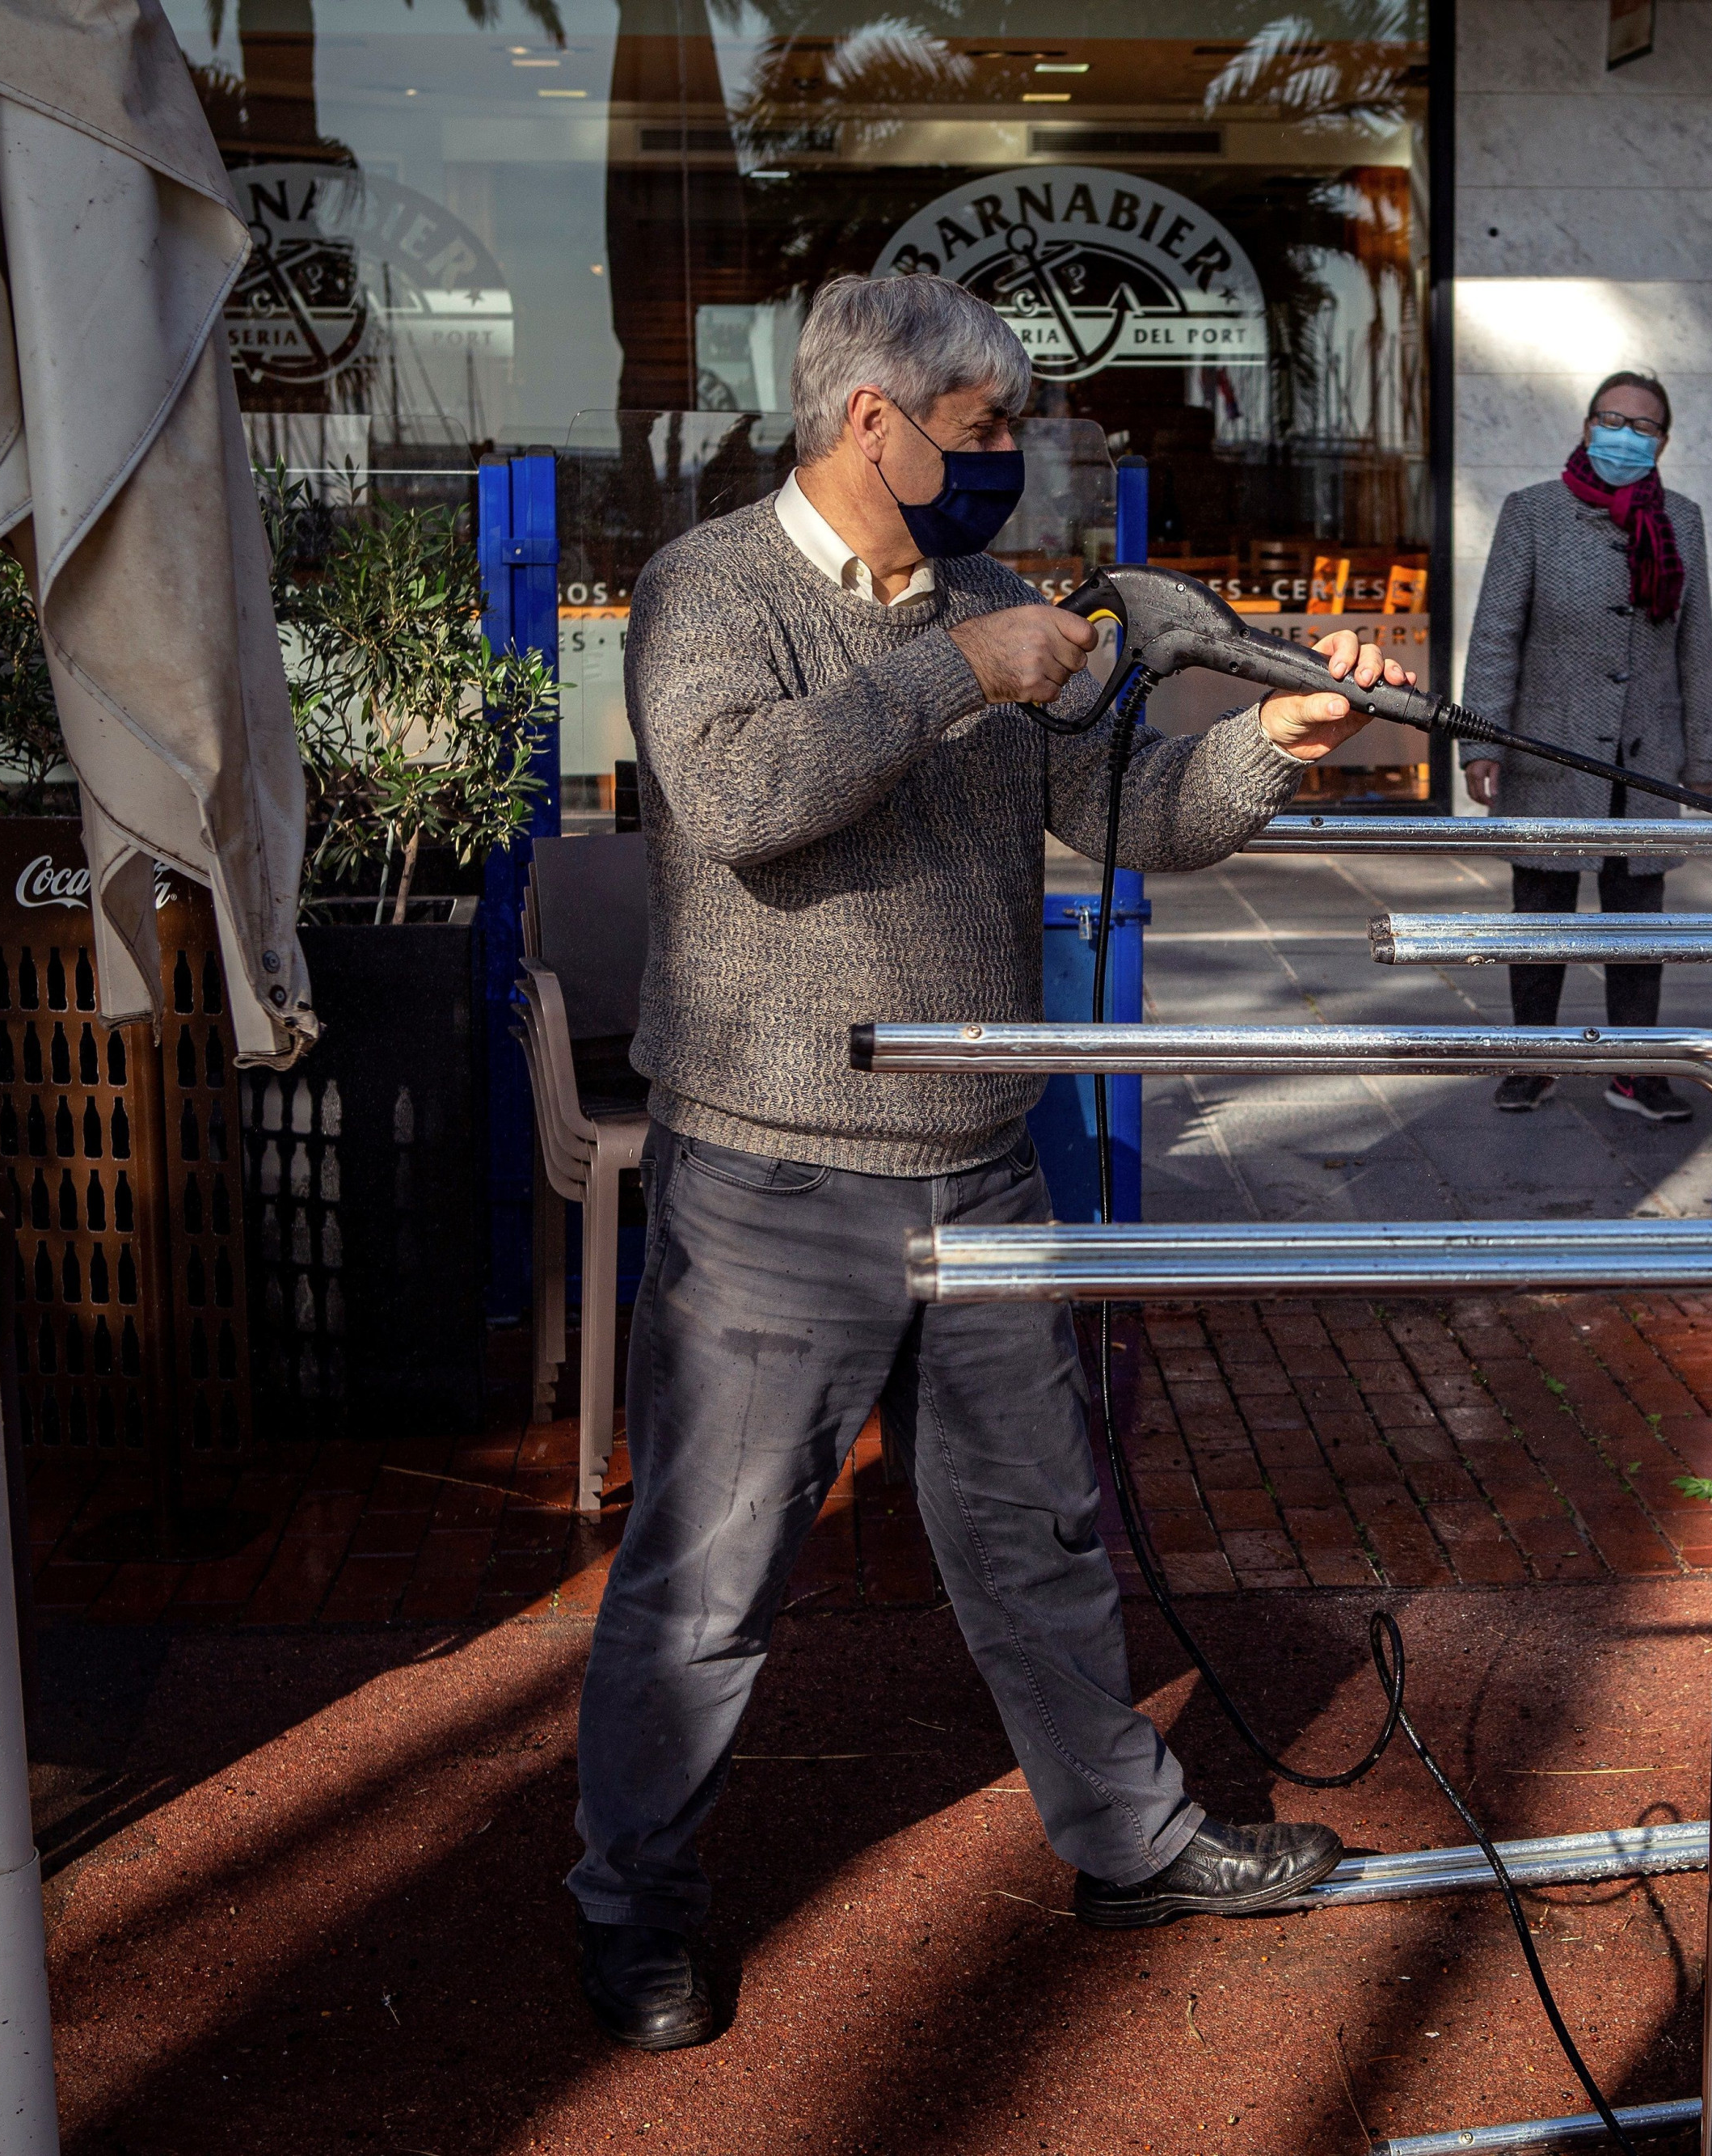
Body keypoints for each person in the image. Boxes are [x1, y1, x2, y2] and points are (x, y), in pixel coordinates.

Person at [571, 272, 1411, 2051]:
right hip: (775, 1175)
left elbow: (1127, 815)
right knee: (709, 1577)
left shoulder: (994, 603)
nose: (1009, 456)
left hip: (979, 1153)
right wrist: (950, 669)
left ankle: (1129, 1841)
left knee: (1036, 1535)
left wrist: (1271, 742)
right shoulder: (708, 590)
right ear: (867, 419)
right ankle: (631, 1903)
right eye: (982, 424)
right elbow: (737, 798)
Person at [1459, 370, 1712, 1122]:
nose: (1625, 436)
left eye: (1643, 426)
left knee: (1638, 922)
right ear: (1586, 426)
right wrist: (1482, 740)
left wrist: (1703, 754)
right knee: (1540, 915)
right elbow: (1495, 635)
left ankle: (1636, 1071)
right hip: (1549, 751)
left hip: (1647, 758)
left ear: (1663, 440)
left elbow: (1696, 646)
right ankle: (1531, 1063)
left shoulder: (1683, 519)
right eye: (1612, 419)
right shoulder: (1532, 513)